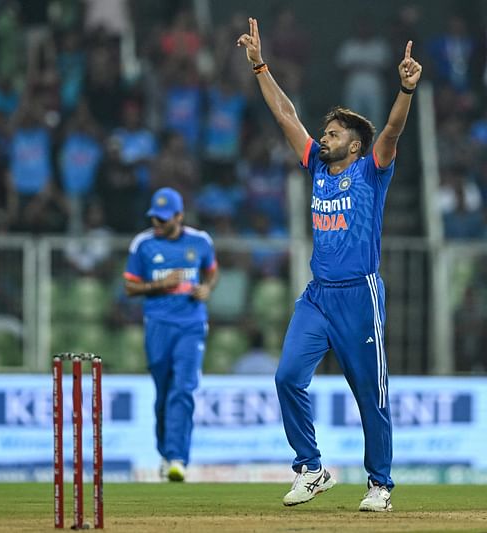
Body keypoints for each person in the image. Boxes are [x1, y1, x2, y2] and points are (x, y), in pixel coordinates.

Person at [236, 18, 422, 511]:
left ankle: (379, 484)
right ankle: (311, 468)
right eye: (325, 132)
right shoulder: (317, 165)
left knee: (369, 395)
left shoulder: (371, 168)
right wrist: (259, 65)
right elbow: (284, 114)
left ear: (354, 144)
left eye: (333, 133)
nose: (324, 137)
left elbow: (393, 129)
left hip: (359, 296)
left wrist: (404, 90)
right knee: (286, 377)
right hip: (318, 294)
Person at [123, 187, 218, 482]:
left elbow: (211, 271)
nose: (157, 224)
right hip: (158, 325)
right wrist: (158, 285)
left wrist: (206, 288)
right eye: (154, 218)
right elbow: (129, 287)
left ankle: (178, 458)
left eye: (163, 219)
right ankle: (166, 454)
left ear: (179, 216)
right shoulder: (143, 244)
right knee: (164, 391)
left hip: (191, 324)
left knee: (183, 388)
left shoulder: (200, 241)